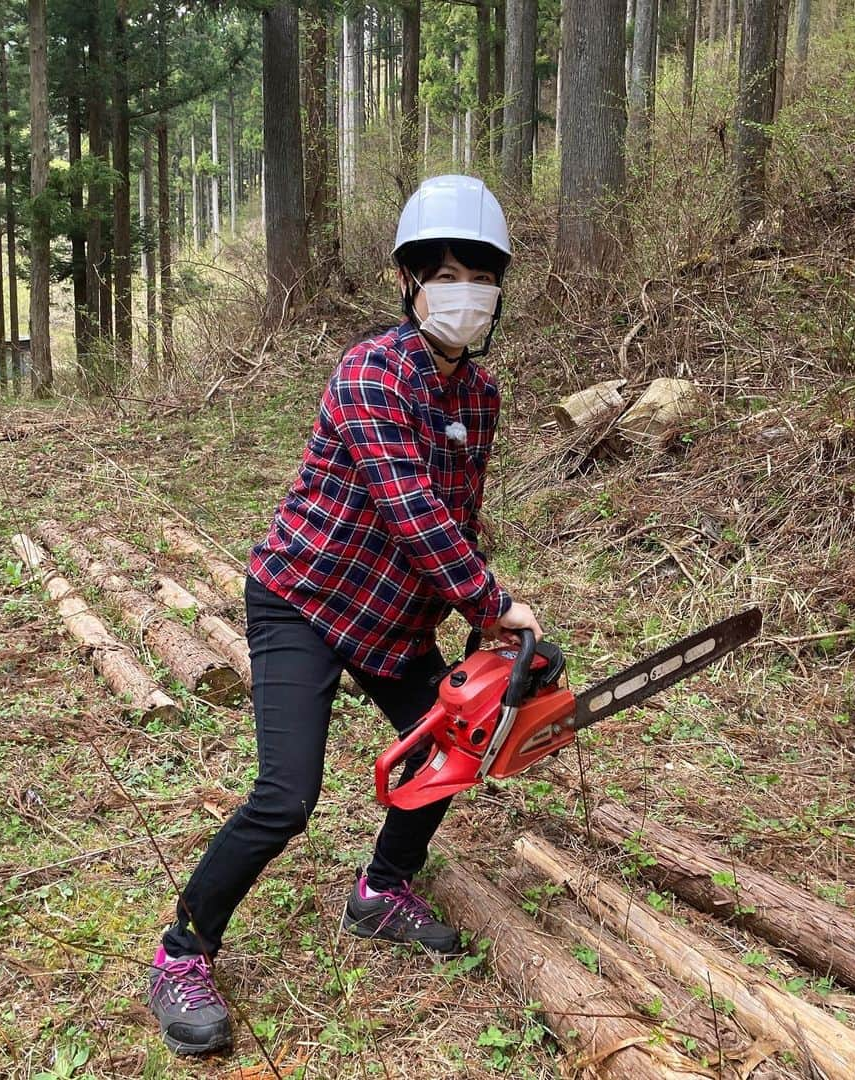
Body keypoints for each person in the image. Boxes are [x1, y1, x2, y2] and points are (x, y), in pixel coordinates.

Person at [148, 174, 543, 1057]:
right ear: (409, 282)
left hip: (392, 614)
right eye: (441, 271)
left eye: (476, 273)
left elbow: (456, 518)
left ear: (497, 287)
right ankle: (183, 951)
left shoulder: (478, 397)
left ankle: (381, 889)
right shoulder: (370, 371)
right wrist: (495, 601)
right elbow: (409, 509)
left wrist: (483, 629)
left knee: (454, 743)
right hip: (305, 598)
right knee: (287, 796)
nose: (461, 289)